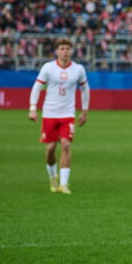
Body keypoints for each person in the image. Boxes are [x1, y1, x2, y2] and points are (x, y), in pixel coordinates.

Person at [28, 37, 90, 194]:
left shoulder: (78, 69)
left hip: (68, 113)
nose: (65, 52)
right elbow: (37, 87)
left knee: (66, 145)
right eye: (62, 49)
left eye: (68, 49)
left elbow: (85, 89)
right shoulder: (48, 68)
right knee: (50, 148)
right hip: (49, 113)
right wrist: (33, 108)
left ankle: (64, 184)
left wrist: (84, 111)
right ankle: (52, 177)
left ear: (72, 51)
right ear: (57, 51)